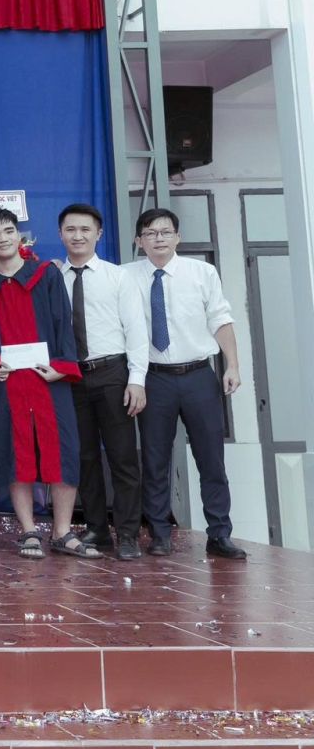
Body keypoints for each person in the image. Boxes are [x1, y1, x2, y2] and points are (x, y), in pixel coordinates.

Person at [124, 207, 247, 560]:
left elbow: (221, 319)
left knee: (211, 458)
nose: (158, 239)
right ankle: (159, 533)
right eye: (150, 233)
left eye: (165, 232)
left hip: (198, 376)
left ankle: (219, 533)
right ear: (139, 241)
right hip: (153, 378)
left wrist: (233, 365)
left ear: (178, 237)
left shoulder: (202, 273)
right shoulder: (125, 276)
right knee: (155, 459)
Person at [0, 208, 98, 560]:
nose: (2, 239)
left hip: (49, 378)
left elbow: (64, 323)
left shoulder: (46, 275)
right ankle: (28, 529)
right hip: (7, 380)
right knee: (16, 453)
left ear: (20, 235)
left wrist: (63, 366)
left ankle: (62, 532)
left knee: (62, 450)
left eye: (8, 231)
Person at [57, 203, 148, 561]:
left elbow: (135, 330)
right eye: (70, 229)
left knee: (123, 457)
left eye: (85, 229)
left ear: (99, 234)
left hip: (112, 373)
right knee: (84, 457)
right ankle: (96, 527)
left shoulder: (118, 277)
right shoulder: (54, 278)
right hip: (70, 376)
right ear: (61, 234)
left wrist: (136, 380)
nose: (77, 236)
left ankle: (127, 533)